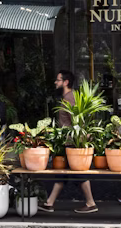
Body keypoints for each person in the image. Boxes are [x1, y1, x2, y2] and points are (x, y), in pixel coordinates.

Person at [40, 70, 97, 214]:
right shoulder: (68, 97)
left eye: (58, 80)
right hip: (68, 141)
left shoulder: (69, 99)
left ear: (65, 82)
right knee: (61, 173)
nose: (55, 82)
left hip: (72, 142)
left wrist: (78, 139)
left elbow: (77, 121)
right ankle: (49, 203)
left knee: (79, 173)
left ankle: (91, 203)